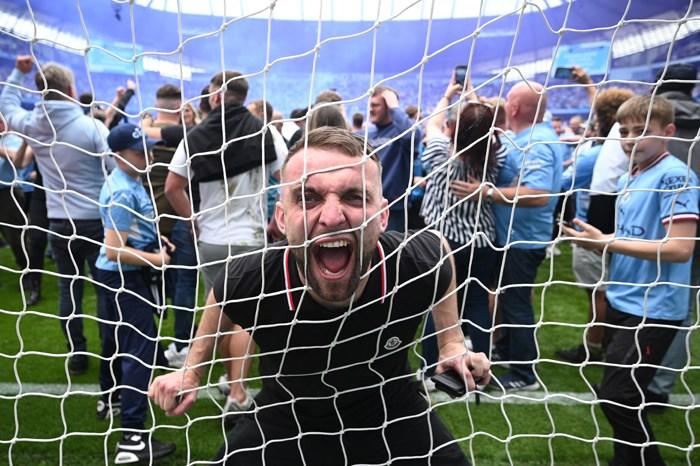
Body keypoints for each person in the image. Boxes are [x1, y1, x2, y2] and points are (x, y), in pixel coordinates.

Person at [149, 127, 491, 465]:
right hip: (288, 418)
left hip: (392, 412)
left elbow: (440, 251)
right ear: (281, 218)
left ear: (383, 216)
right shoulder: (254, 276)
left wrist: (451, 343)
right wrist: (191, 371)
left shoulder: (412, 262)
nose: (331, 217)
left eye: (354, 197)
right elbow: (221, 297)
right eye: (308, 198)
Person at [564, 95, 698, 466]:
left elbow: (680, 248)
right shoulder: (629, 176)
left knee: (617, 395)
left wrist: (606, 242)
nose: (630, 139)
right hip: (623, 300)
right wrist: (597, 241)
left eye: (641, 130)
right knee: (622, 394)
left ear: (668, 132)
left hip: (655, 307)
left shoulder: (676, 177)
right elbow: (632, 238)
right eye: (624, 131)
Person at [164, 70, 280, 420]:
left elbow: (172, 187)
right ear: (244, 96)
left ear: (215, 97)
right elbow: (292, 180)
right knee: (247, 319)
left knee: (222, 314)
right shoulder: (266, 131)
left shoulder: (195, 136)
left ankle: (230, 382)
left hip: (213, 239)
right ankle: (237, 392)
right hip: (251, 238)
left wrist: (193, 220)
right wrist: (278, 218)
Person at [0, 55, 114, 375]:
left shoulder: (32, 124)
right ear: (71, 90)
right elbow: (114, 169)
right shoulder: (92, 126)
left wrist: (17, 72)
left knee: (69, 289)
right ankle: (109, 352)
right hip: (95, 222)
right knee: (105, 289)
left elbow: (6, 103)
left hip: (59, 223)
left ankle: (77, 354)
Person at [458, 81, 564, 391]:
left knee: (517, 303)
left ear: (514, 108)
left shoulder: (537, 143)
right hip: (515, 236)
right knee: (508, 299)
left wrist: (487, 192)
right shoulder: (529, 137)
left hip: (524, 239)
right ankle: (507, 350)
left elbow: (539, 193)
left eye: (508, 100)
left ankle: (524, 373)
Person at [95, 123, 176, 464]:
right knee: (139, 353)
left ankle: (110, 399)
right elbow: (114, 250)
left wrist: (156, 240)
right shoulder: (122, 192)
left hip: (117, 277)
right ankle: (132, 440)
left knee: (115, 343)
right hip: (123, 279)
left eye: (148, 149)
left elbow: (129, 232)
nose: (147, 156)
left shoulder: (129, 180)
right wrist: (159, 259)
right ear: (117, 156)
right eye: (138, 152)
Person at [420, 74, 505, 377]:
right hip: (481, 241)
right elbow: (486, 128)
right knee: (478, 304)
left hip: (445, 242)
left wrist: (448, 95)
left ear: (455, 128)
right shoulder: (496, 156)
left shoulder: (440, 152)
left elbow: (432, 123)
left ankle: (431, 369)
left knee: (440, 303)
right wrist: (472, 95)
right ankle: (482, 369)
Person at [555, 87, 634, 364]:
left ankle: (592, 348)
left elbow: (563, 183)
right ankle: (609, 344)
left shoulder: (597, 154)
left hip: (592, 230)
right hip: (622, 230)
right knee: (610, 291)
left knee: (597, 293)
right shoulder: (626, 151)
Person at [646, 62, 700, 407]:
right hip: (693, 229)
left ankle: (637, 372)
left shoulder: (648, 122)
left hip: (655, 228)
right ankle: (659, 384)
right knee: (684, 305)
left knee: (647, 296)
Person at [367, 87, 421, 232]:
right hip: (367, 205)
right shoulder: (367, 134)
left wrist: (394, 107)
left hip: (393, 209)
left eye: (375, 105)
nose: (370, 109)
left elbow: (412, 136)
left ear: (389, 107)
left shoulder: (401, 134)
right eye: (370, 105)